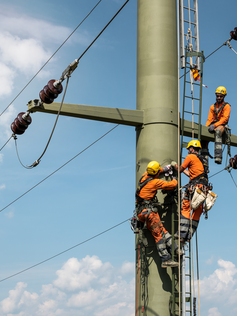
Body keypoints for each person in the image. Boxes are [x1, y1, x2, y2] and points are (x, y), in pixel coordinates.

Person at [135, 161, 180, 268]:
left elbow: (155, 171)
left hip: (141, 213)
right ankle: (165, 260)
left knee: (162, 230)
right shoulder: (155, 182)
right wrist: (174, 178)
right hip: (149, 213)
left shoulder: (144, 176)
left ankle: (176, 249)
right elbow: (171, 185)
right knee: (158, 235)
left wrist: (164, 169)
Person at [171, 140, 208, 242]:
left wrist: (175, 165)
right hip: (202, 190)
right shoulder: (203, 159)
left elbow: (179, 170)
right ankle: (188, 236)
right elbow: (194, 174)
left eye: (188, 149)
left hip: (194, 188)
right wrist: (184, 171)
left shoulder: (190, 157)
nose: (188, 150)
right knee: (198, 211)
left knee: (186, 207)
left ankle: (182, 234)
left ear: (192, 148)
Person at [205, 86, 231, 164]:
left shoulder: (226, 106)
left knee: (218, 132)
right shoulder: (212, 107)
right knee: (204, 137)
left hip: (222, 125)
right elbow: (209, 119)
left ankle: (218, 156)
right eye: (217, 96)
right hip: (213, 125)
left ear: (224, 96)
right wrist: (206, 128)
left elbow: (225, 119)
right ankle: (204, 159)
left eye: (220, 96)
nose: (219, 97)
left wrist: (215, 125)